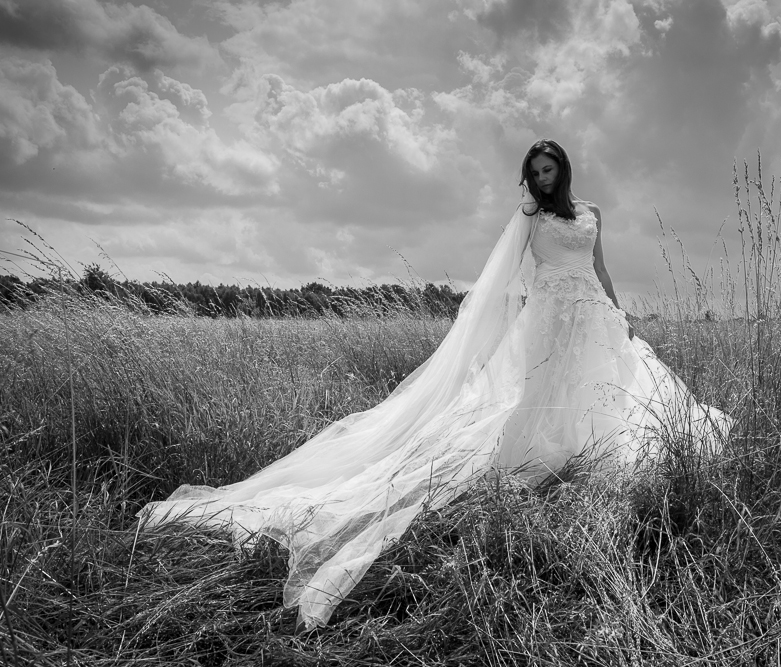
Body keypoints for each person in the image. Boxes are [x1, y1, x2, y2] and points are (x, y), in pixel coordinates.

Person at [140, 139, 731, 632]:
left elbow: (600, 267)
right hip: (550, 311)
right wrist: (508, 326)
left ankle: (585, 454)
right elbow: (506, 278)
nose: (542, 181)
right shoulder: (530, 219)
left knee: (605, 388)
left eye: (549, 171)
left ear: (564, 171)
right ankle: (545, 454)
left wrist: (618, 308)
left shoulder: (591, 212)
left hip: (592, 311)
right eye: (534, 173)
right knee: (544, 392)